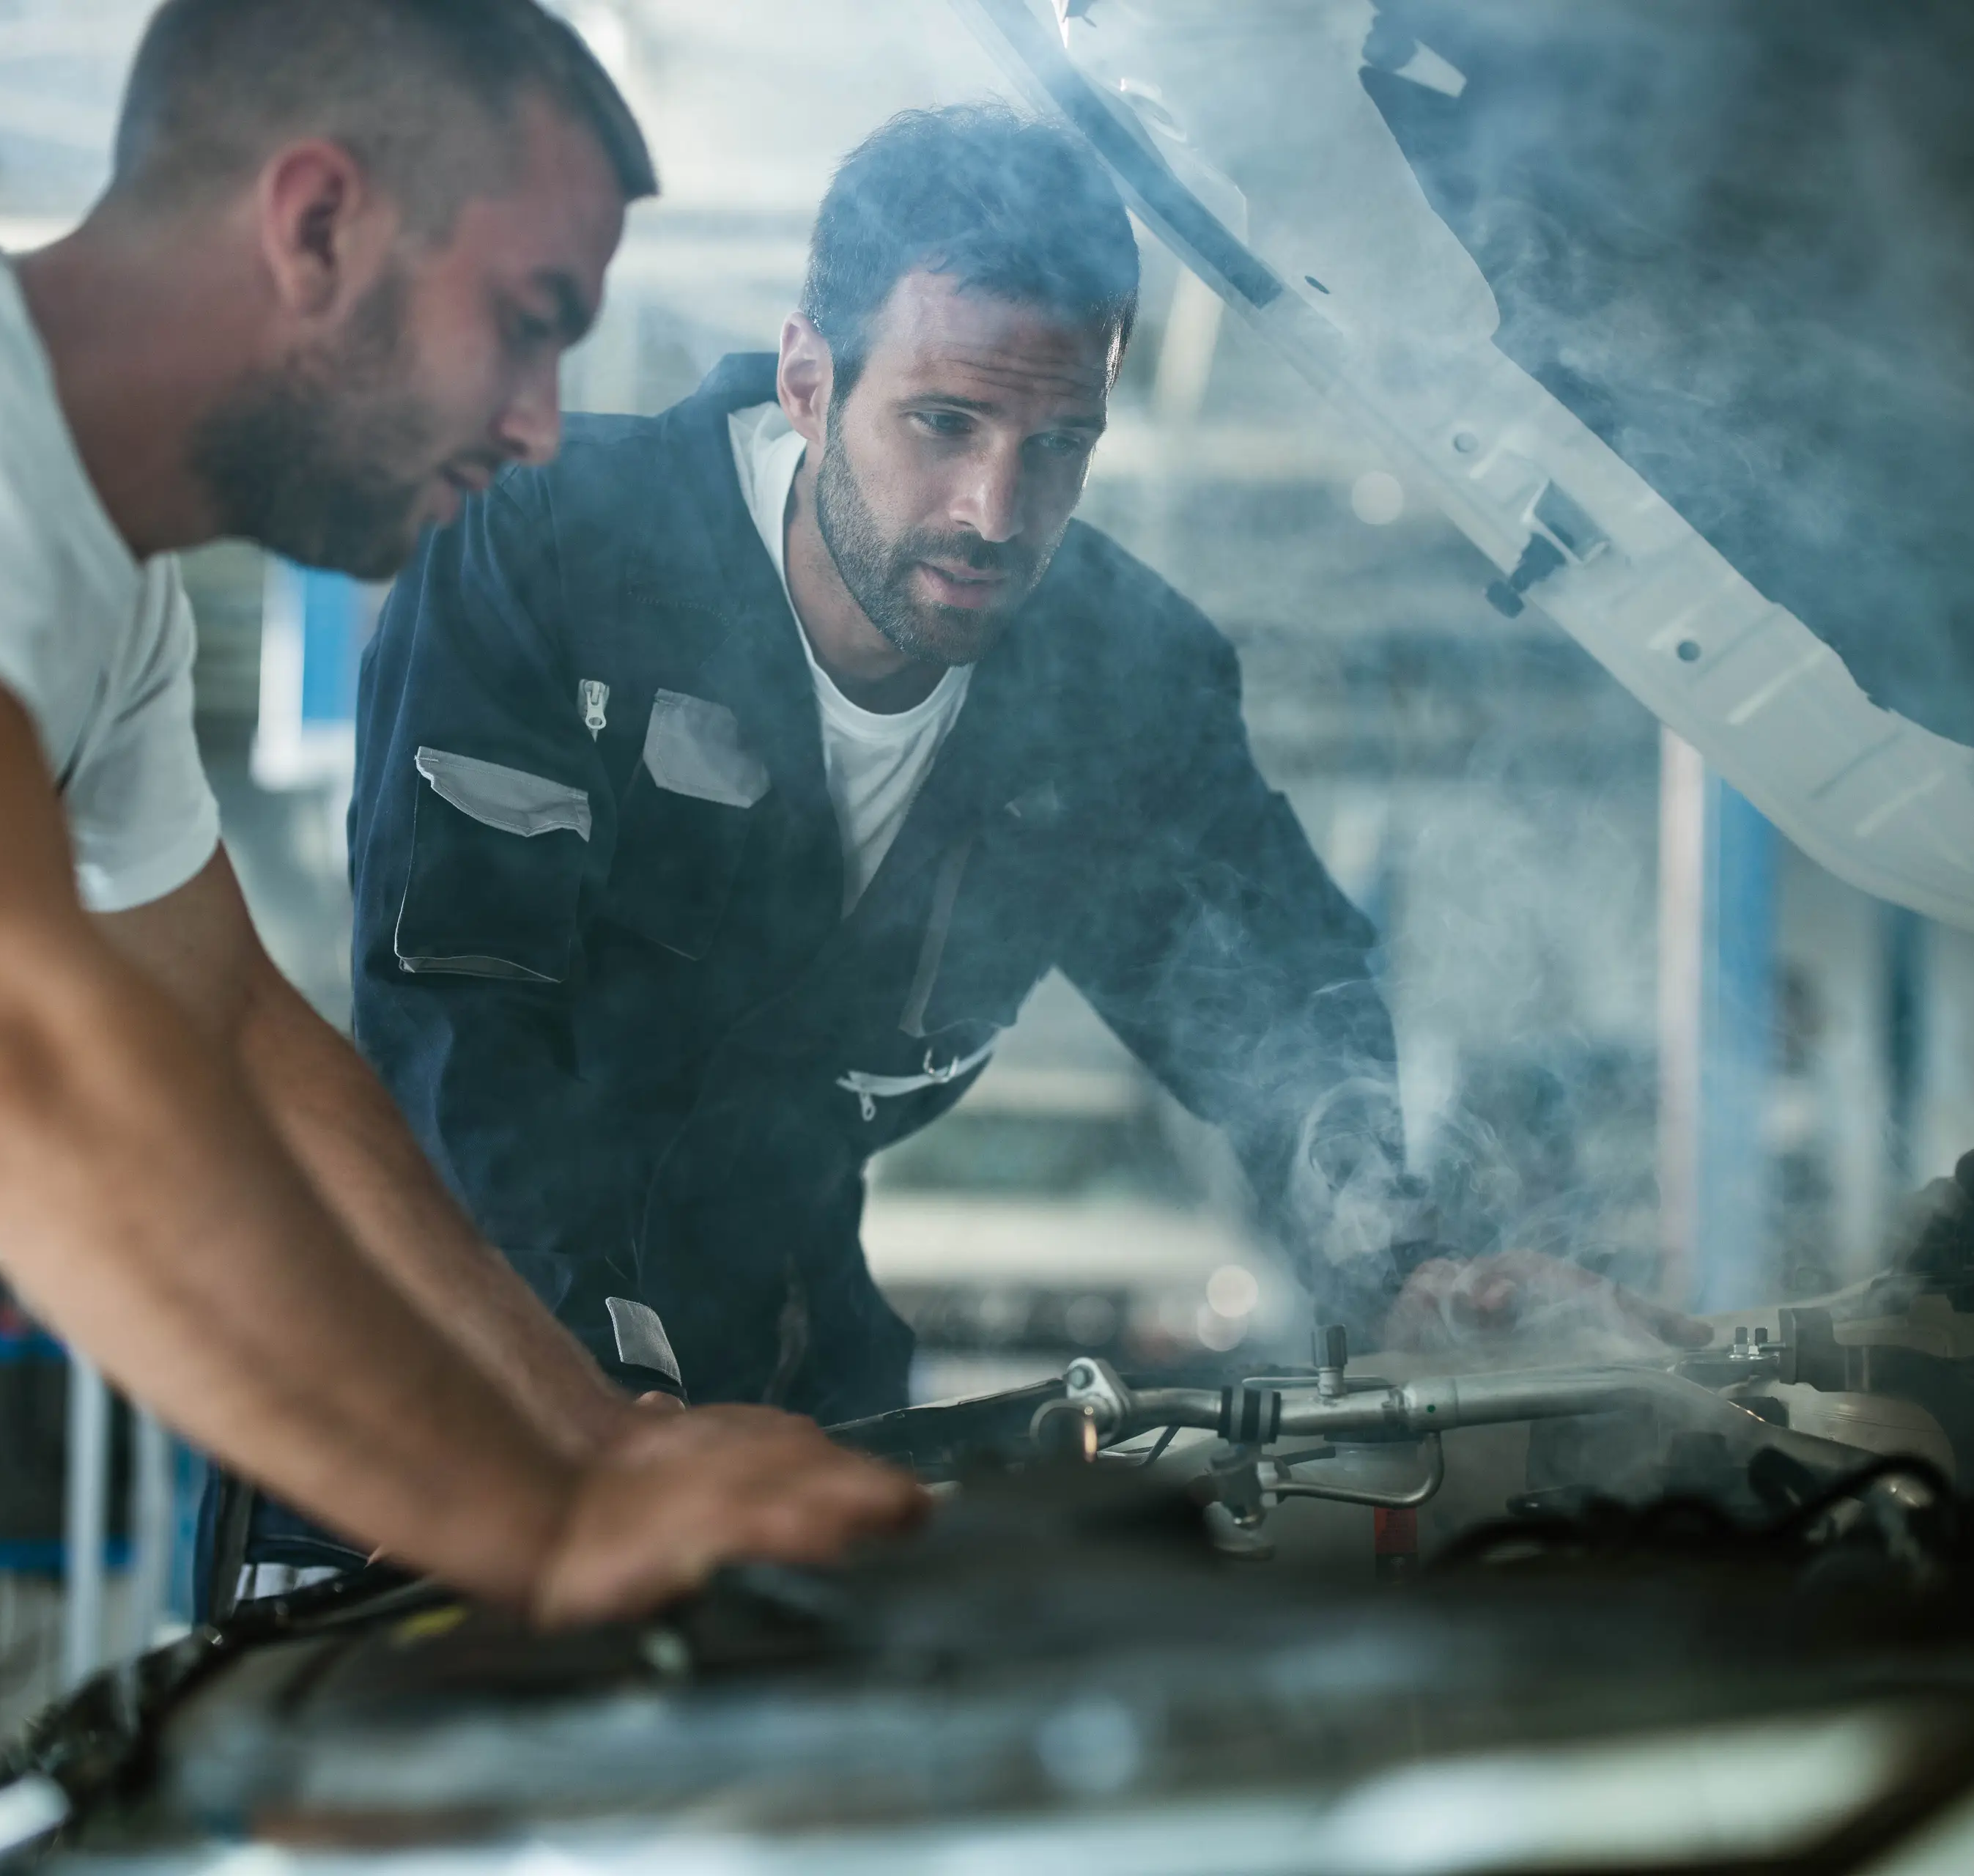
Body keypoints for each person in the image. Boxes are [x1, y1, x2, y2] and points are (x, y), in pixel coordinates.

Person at [0, 0, 922, 1634]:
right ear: (320, 224)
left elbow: (236, 1037)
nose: (541, 420)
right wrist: (542, 1527)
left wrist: (599, 1432)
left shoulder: (100, 610)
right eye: (524, 320)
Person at [347, 104, 1707, 1443]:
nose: (994, 514)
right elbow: (462, 1027)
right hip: (454, 1362)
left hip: (789, 1359)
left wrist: (1405, 1265)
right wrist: (599, 1390)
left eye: (1059, 447)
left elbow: (1279, 999)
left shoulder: (1125, 685)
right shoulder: (545, 554)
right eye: (944, 423)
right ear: (809, 379)